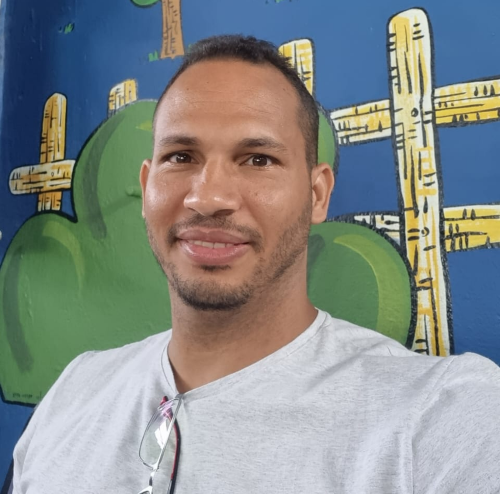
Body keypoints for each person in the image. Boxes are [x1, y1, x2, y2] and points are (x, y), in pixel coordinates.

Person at [8, 35, 500, 494]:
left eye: (258, 159)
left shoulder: (440, 418)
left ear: (317, 194)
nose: (208, 198)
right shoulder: (74, 393)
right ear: (146, 185)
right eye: (180, 157)